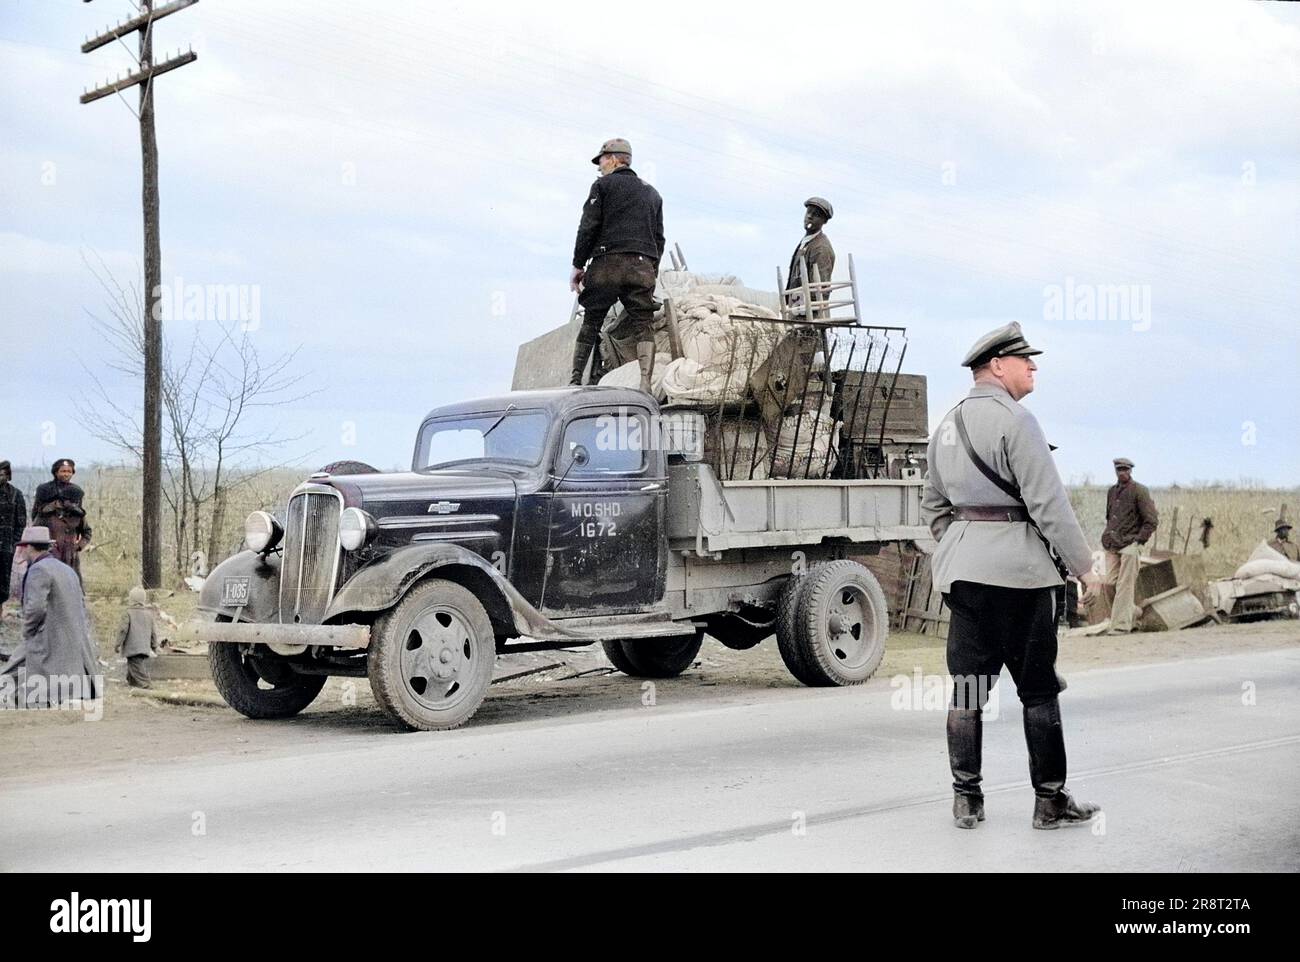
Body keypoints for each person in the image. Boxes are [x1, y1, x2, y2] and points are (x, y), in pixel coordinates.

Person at [921, 321, 1102, 830]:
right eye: (1026, 360)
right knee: (1038, 690)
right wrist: (1085, 567)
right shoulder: (1019, 421)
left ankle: (967, 800)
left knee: (968, 690)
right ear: (997, 366)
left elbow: (933, 505)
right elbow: (1049, 505)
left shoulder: (948, 424)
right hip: (1022, 578)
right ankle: (1050, 802)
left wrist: (965, 544)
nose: (1034, 368)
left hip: (965, 577)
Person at [569, 138, 665, 393]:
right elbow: (659, 239)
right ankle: (645, 382)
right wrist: (651, 269)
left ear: (613, 158)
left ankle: (575, 381)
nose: (599, 167)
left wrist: (578, 265)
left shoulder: (602, 186)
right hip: (641, 266)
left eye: (600, 160)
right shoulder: (652, 193)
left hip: (607, 265)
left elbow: (588, 227)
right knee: (644, 322)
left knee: (592, 319)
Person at [0, 526, 100, 707]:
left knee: (15, 674)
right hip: (72, 640)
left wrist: (28, 632)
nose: (21, 551)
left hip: (49, 640)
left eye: (23, 547)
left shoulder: (39, 570)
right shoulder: (67, 570)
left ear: (30, 547)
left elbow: (35, 609)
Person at [1100, 457, 1158, 634]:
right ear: (1115, 471)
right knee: (1108, 584)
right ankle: (1134, 612)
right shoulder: (1112, 492)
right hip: (1112, 544)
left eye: (1125, 469)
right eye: (1119, 470)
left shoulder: (1140, 491)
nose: (1122, 473)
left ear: (1130, 471)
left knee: (1125, 585)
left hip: (1131, 544)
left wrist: (1138, 542)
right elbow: (1110, 517)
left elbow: (1151, 521)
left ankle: (1120, 626)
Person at [30, 458, 92, 582]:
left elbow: (87, 532)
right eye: (63, 471)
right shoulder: (45, 515)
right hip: (50, 556)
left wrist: (78, 547)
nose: (66, 474)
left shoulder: (77, 515)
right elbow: (35, 529)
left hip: (70, 557)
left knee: (70, 587)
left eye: (69, 471)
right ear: (56, 472)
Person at [785, 197, 836, 318]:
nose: (810, 217)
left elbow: (820, 288)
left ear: (824, 221)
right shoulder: (806, 242)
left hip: (808, 315)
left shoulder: (821, 248)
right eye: (809, 212)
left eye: (816, 215)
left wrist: (806, 316)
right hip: (797, 306)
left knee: (804, 337)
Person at [116, 586, 159, 688]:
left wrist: (118, 644)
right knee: (134, 665)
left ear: (131, 599)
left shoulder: (128, 613)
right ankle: (131, 681)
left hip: (132, 647)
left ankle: (146, 684)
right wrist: (154, 646)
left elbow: (123, 631)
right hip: (144, 647)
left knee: (136, 667)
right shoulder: (149, 614)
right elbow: (153, 633)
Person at [0, 460, 25, 621]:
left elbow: (21, 522)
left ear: (7, 476)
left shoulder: (16, 494)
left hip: (5, 546)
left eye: (1, 474)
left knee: (2, 583)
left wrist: (14, 542)